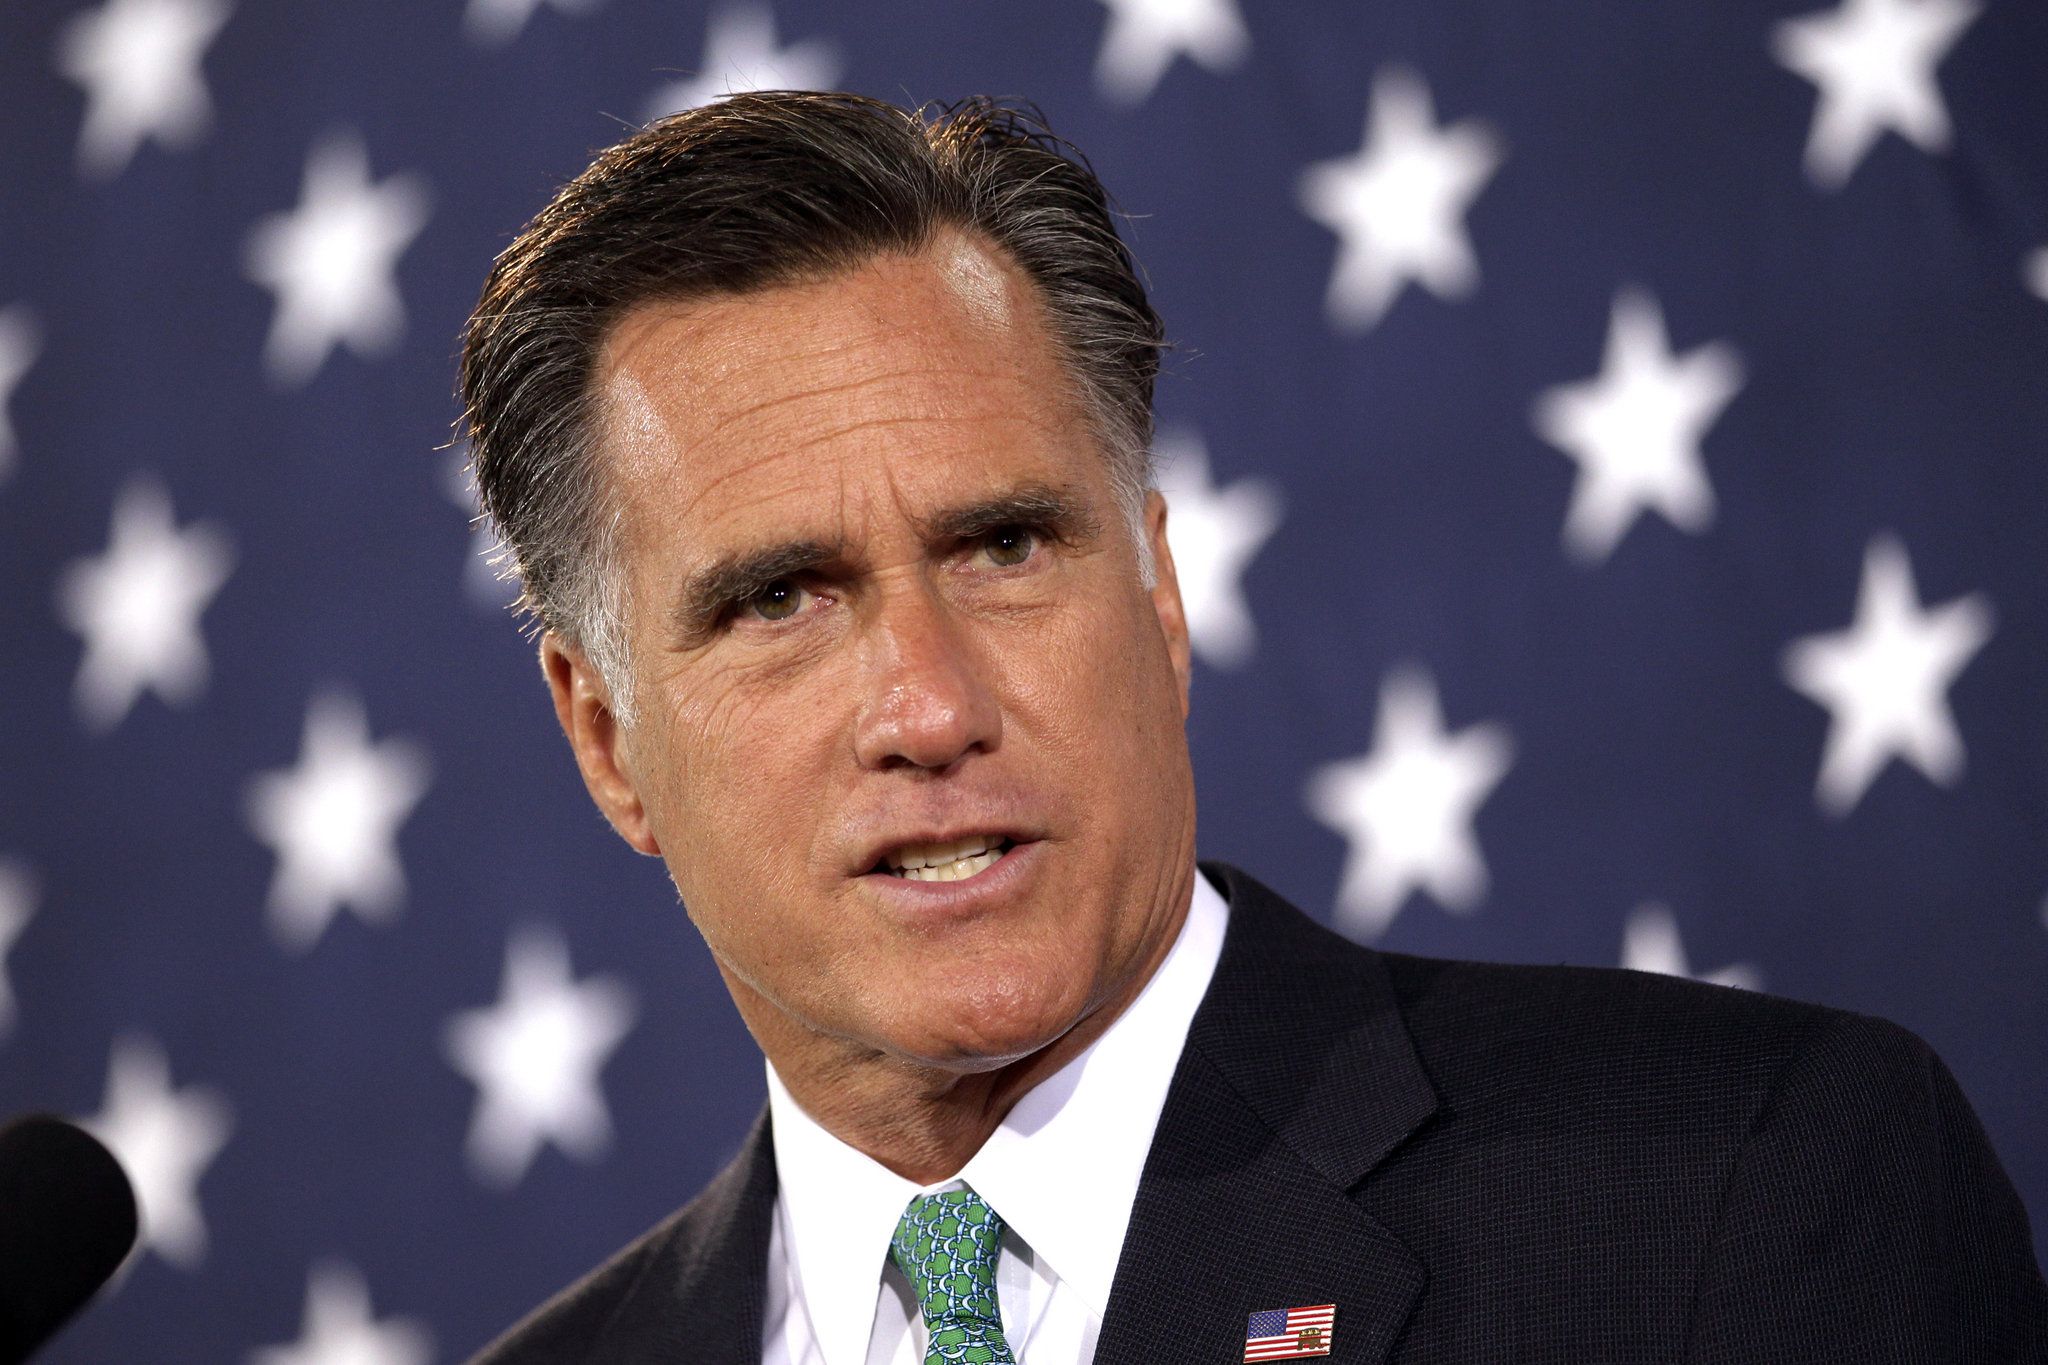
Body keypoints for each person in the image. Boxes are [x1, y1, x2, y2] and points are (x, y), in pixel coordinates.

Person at [456, 91, 2046, 1365]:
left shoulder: (1739, 1190)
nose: (932, 706)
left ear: (1158, 592)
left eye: (1004, 545)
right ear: (607, 740)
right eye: (782, 598)